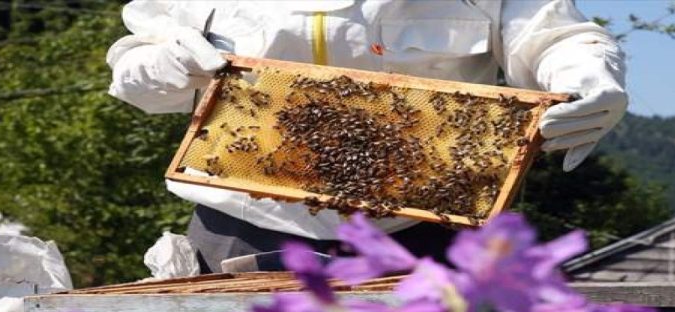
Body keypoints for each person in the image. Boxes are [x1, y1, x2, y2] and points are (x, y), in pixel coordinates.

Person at [106, 0, 628, 273]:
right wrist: (165, 63)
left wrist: (587, 73)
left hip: (429, 231)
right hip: (243, 228)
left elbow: (554, 36)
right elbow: (133, 73)